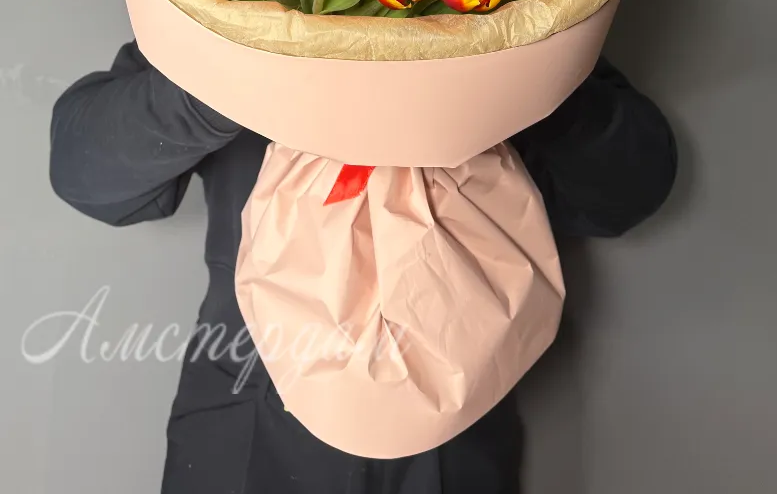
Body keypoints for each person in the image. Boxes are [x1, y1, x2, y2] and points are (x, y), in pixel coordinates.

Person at [50, 42, 677, 494]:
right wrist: (232, 66)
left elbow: (631, 188)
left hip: (454, 432)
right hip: (245, 427)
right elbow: (83, 173)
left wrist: (510, 60)